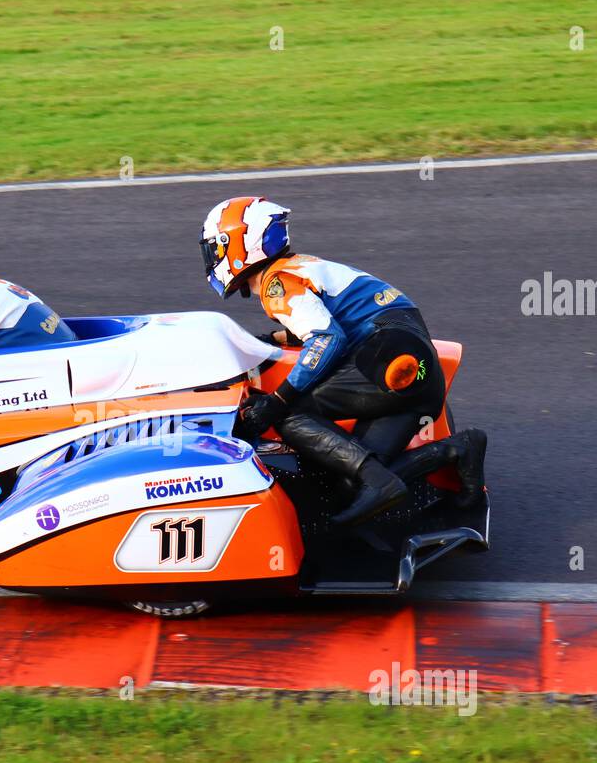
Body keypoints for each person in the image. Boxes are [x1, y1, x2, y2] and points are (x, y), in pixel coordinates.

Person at [199, 196, 485, 527]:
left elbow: (328, 339)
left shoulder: (276, 283)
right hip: (413, 366)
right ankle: (459, 449)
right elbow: (331, 325)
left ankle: (380, 482)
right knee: (352, 477)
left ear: (237, 244)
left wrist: (277, 402)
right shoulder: (301, 266)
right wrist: (271, 340)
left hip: (389, 363)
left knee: (291, 417)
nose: (213, 259)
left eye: (215, 250)